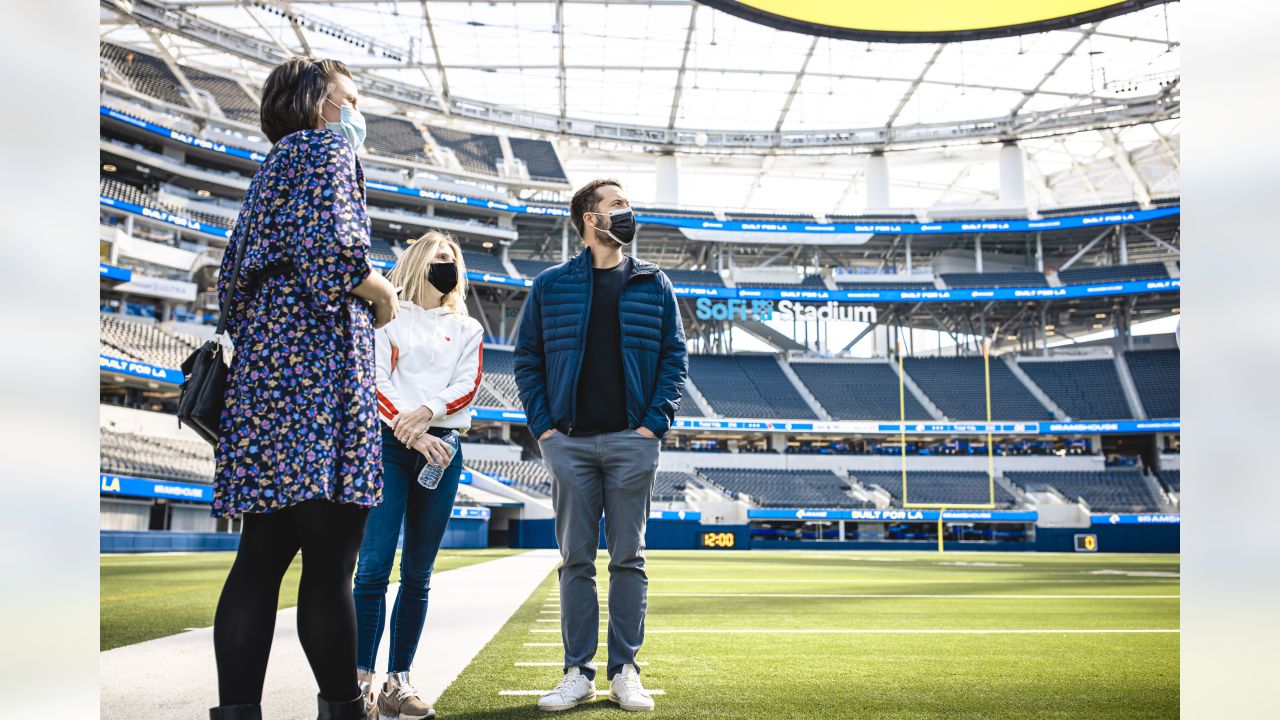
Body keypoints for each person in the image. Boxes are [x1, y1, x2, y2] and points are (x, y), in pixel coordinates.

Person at [208, 57, 398, 720]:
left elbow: (229, 288)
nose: (355, 111)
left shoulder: (269, 172)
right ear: (322, 102)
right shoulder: (326, 149)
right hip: (318, 379)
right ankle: (344, 707)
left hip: (264, 379)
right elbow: (336, 253)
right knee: (329, 564)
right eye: (349, 96)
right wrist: (383, 296)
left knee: (258, 560)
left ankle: (238, 712)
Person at [513, 179, 688, 712]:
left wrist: (653, 425)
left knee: (629, 560)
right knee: (575, 562)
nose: (627, 212)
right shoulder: (549, 285)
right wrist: (544, 429)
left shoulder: (655, 283)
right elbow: (527, 361)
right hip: (569, 443)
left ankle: (625, 671)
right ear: (590, 220)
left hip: (632, 442)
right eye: (617, 205)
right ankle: (576, 672)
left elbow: (674, 361)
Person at [353, 231, 484, 719]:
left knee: (419, 574)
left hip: (442, 448)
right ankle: (359, 682)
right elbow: (375, 379)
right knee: (372, 567)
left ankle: (398, 682)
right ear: (415, 262)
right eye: (437, 256)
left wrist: (427, 414)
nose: (445, 264)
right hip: (390, 445)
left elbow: (466, 386)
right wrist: (410, 430)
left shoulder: (467, 326)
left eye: (452, 257)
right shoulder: (386, 314)